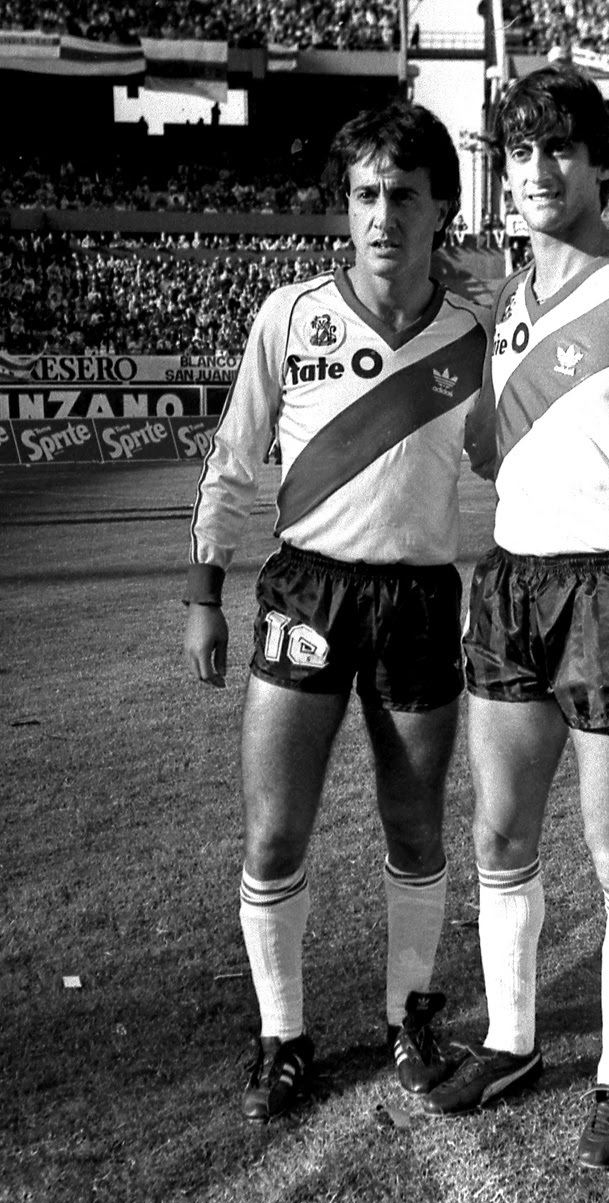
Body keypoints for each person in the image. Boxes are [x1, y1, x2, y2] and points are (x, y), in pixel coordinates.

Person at [422, 65, 609, 1170]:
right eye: (520, 150)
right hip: (510, 584)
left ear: (603, 164)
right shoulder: (505, 307)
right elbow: (491, 453)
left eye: (560, 148)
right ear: (501, 173)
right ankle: (512, 1043)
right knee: (498, 838)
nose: (539, 169)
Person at [183, 100, 486, 1123]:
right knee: (275, 835)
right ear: (345, 207)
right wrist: (204, 592)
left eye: (403, 195)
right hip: (307, 589)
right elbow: (234, 461)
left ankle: (411, 1018)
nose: (381, 215)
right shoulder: (290, 315)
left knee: (415, 827)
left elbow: (512, 458)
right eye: (364, 195)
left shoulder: (472, 337)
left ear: (441, 208)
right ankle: (283, 1036)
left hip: (419, 601)